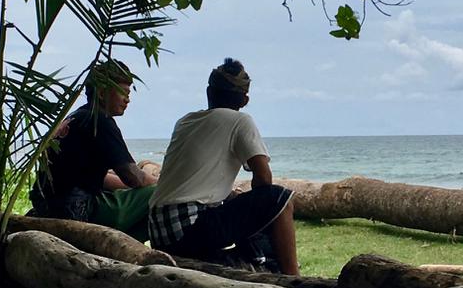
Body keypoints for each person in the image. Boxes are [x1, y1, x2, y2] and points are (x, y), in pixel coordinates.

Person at [148, 58, 299, 275]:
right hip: (188, 226)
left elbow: (198, 183)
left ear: (209, 92)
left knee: (237, 201)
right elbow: (264, 179)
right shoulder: (240, 121)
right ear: (245, 100)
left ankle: (252, 258)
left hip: (159, 230)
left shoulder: (185, 121)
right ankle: (294, 279)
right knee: (280, 200)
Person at [28, 59, 156, 236]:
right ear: (102, 93)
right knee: (160, 193)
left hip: (48, 206)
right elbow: (134, 178)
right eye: (124, 93)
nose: (128, 100)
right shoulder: (100, 121)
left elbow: (90, 176)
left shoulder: (76, 117)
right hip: (78, 210)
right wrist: (163, 181)